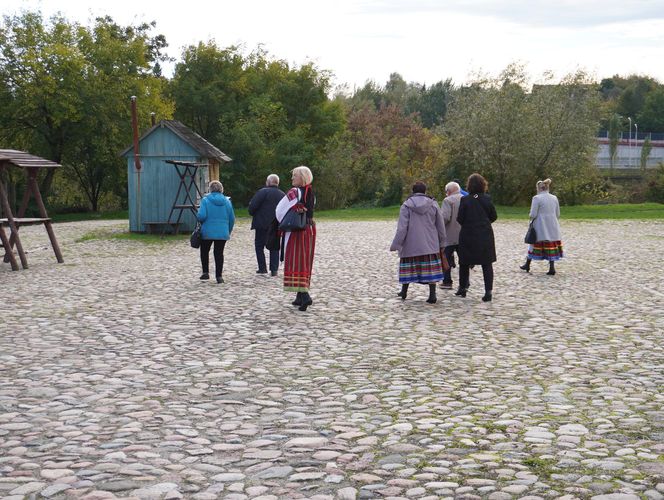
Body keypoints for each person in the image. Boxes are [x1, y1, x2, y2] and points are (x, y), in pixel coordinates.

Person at [390, 181, 447, 304]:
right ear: (425, 191)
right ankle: (432, 294)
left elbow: (402, 228)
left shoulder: (406, 206)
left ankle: (404, 291)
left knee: (408, 268)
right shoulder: (434, 204)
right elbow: (440, 226)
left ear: (413, 191)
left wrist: (397, 244)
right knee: (430, 270)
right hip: (430, 244)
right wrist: (442, 243)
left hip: (411, 243)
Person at [275, 166, 316, 311]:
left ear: (302, 178)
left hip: (296, 231)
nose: (292, 178)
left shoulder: (294, 192)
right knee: (304, 261)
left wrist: (283, 223)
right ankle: (299, 296)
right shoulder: (310, 193)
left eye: (294, 176)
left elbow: (279, 210)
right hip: (308, 230)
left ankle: (305, 296)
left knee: (295, 261)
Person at [456, 173, 497, 302]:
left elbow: (460, 218)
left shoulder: (465, 200)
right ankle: (488, 291)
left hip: (468, 234)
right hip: (484, 234)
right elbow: (493, 216)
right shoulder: (487, 199)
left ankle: (463, 288)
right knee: (487, 263)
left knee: (464, 262)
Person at [520, 178, 563, 275]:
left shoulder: (536, 198)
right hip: (552, 225)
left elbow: (533, 214)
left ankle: (527, 264)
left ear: (539, 188)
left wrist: (530, 217)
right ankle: (552, 267)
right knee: (551, 245)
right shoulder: (554, 198)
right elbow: (558, 214)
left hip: (540, 225)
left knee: (533, 244)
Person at [196, 180, 235, 284]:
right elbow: (232, 219)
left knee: (204, 251)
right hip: (222, 231)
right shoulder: (227, 202)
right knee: (219, 253)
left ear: (210, 189)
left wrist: (197, 214)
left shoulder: (205, 200)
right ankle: (219, 276)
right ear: (221, 189)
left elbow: (202, 216)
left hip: (207, 231)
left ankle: (205, 272)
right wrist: (228, 230)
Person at [248, 174, 286, 276]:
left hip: (261, 224)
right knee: (274, 246)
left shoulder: (262, 192)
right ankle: (274, 270)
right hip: (276, 225)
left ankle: (262, 267)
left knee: (259, 246)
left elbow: (253, 207)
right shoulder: (283, 195)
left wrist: (252, 213)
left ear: (268, 182)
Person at [440, 181, 463, 290]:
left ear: (448, 191)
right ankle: (464, 283)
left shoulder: (447, 200)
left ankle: (447, 281)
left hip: (449, 235)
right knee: (463, 260)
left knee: (446, 258)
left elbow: (445, 217)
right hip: (463, 235)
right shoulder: (465, 198)